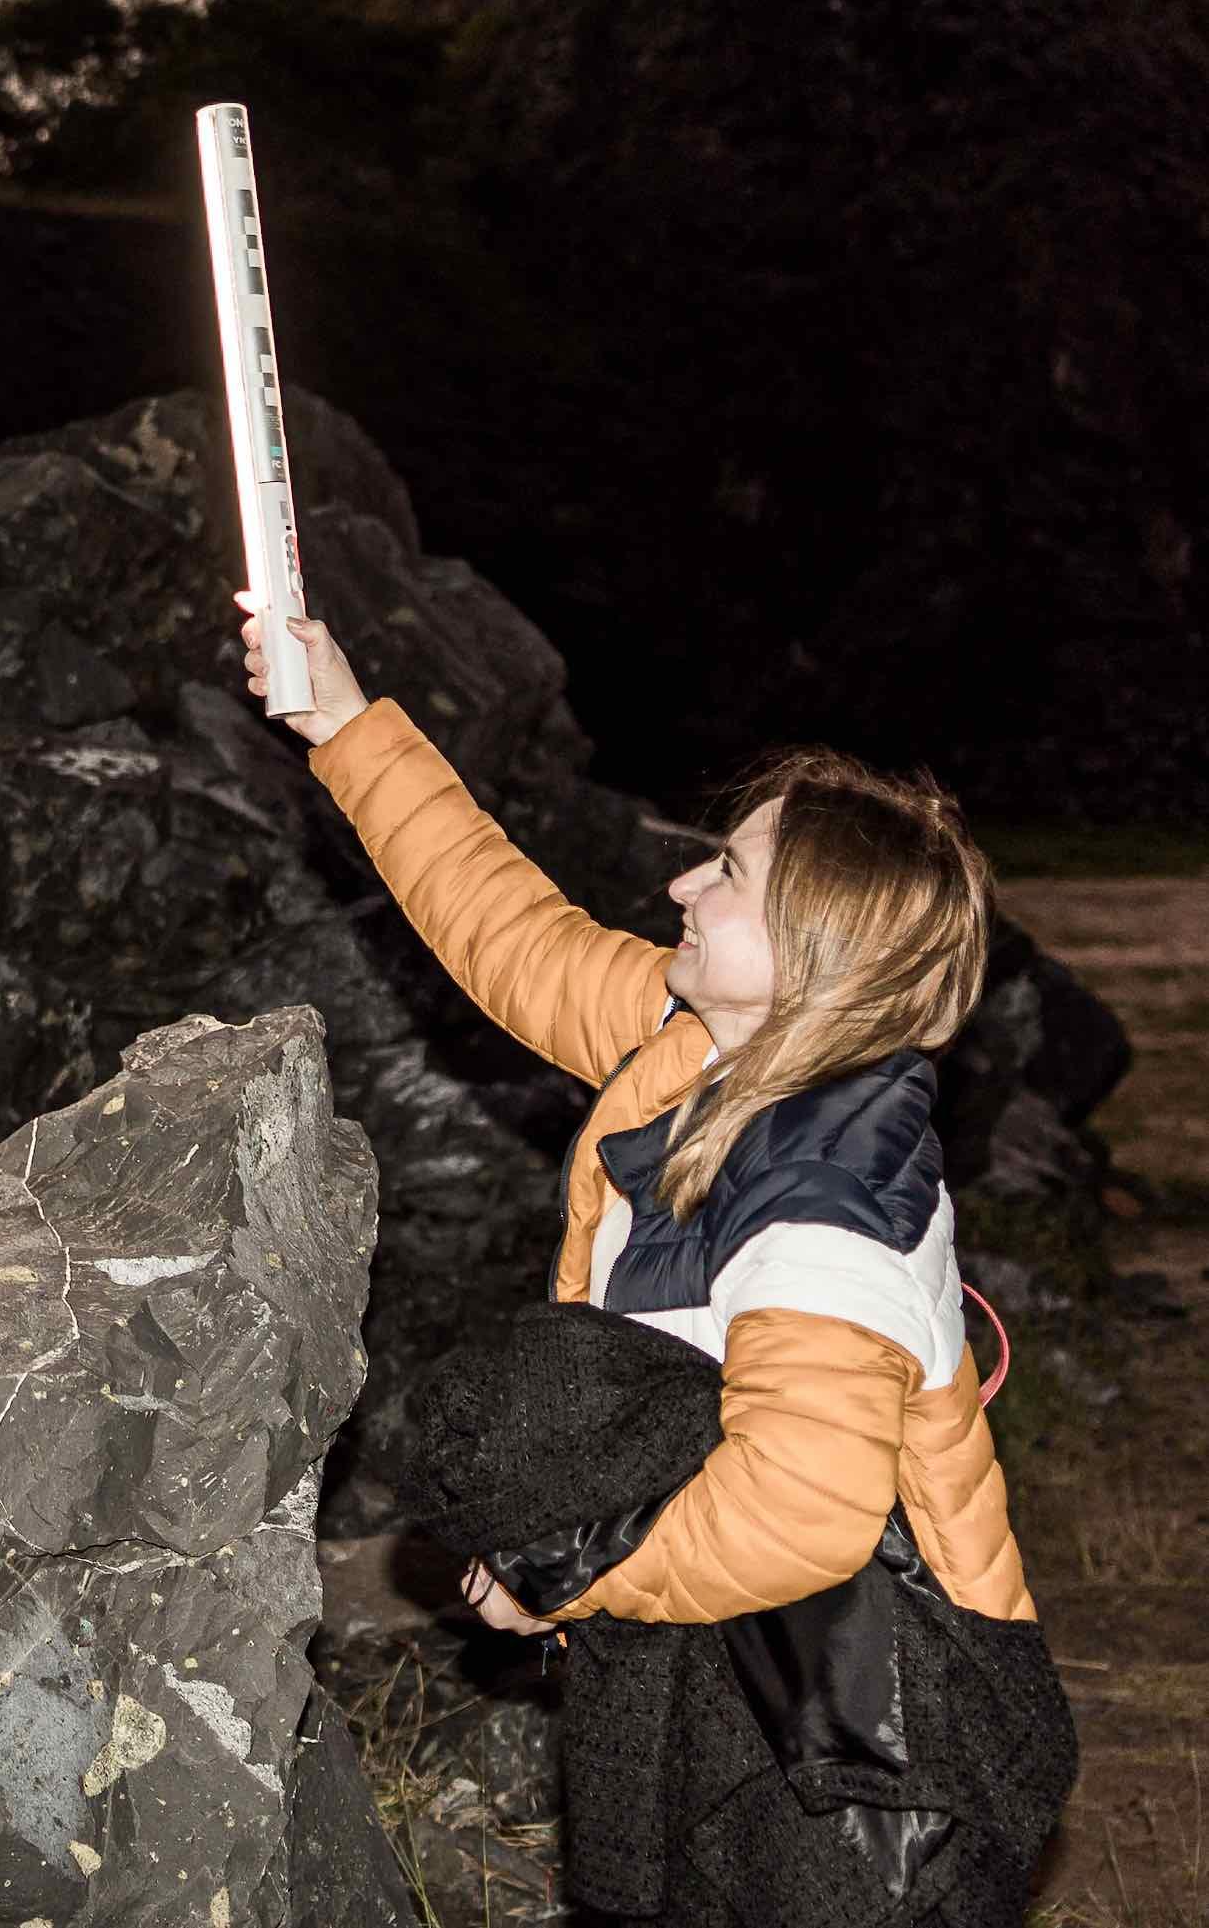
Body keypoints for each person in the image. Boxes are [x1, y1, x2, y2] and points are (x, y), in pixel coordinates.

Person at [239, 597, 1061, 1911]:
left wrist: (564, 1577)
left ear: (813, 952)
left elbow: (799, 1513)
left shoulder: (831, 1188)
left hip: (882, 1710)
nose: (682, 885)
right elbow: (513, 939)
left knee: (536, 1392)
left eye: (726, 873)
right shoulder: (713, 1046)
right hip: (759, 1641)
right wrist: (342, 721)